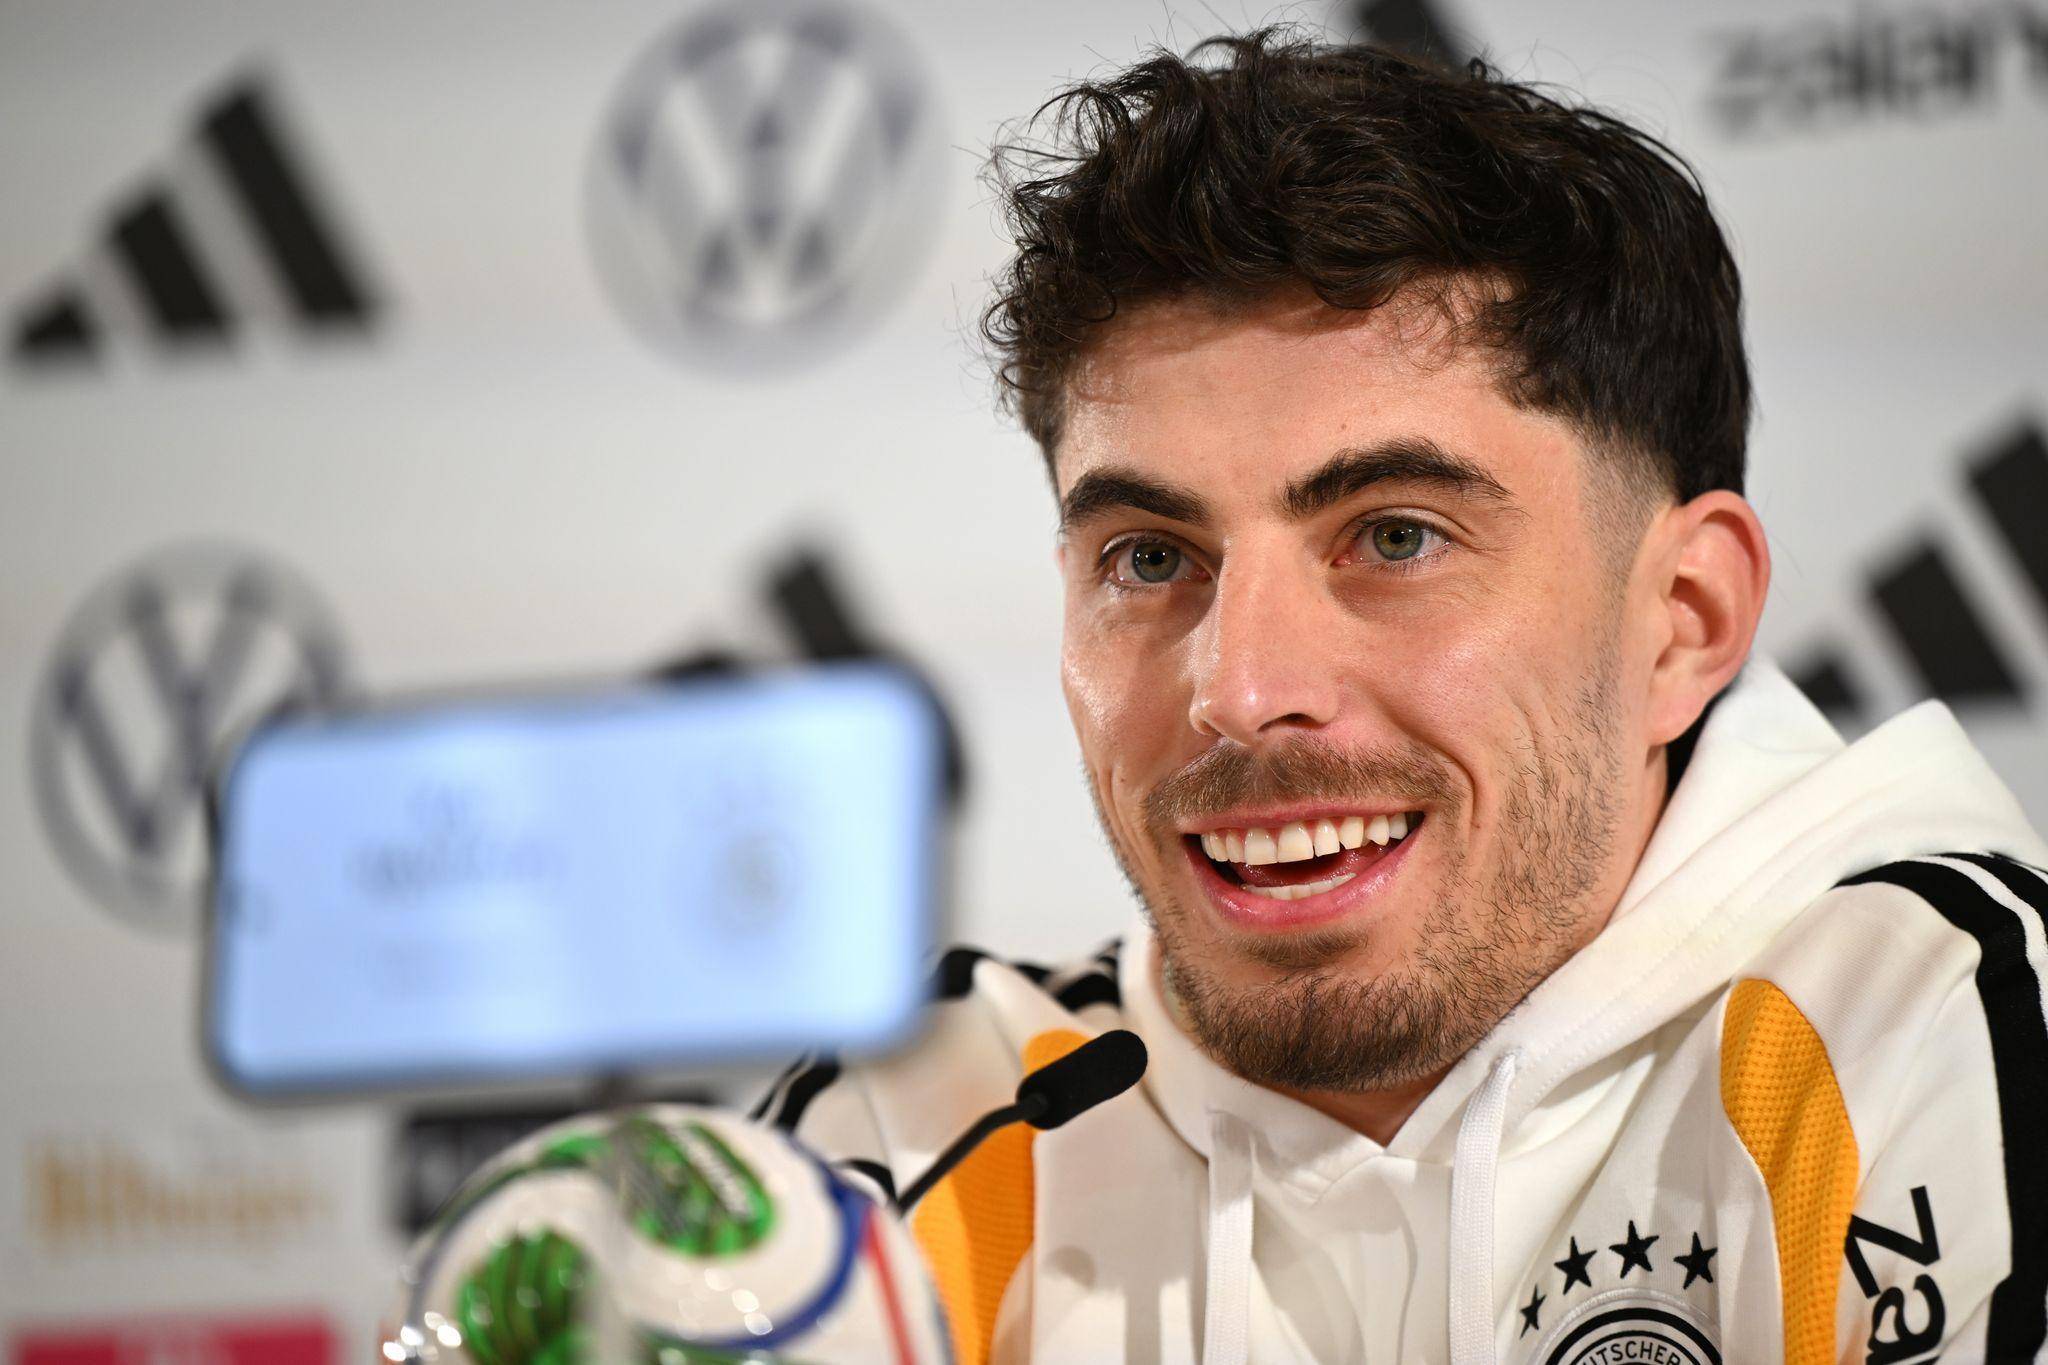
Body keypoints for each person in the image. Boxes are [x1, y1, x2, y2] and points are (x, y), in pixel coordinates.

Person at [751, 30, 2048, 1365]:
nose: (1241, 689)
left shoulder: (1937, 1019)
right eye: (1148, 559)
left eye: (1396, 536)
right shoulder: (907, 1136)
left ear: (1683, 619)